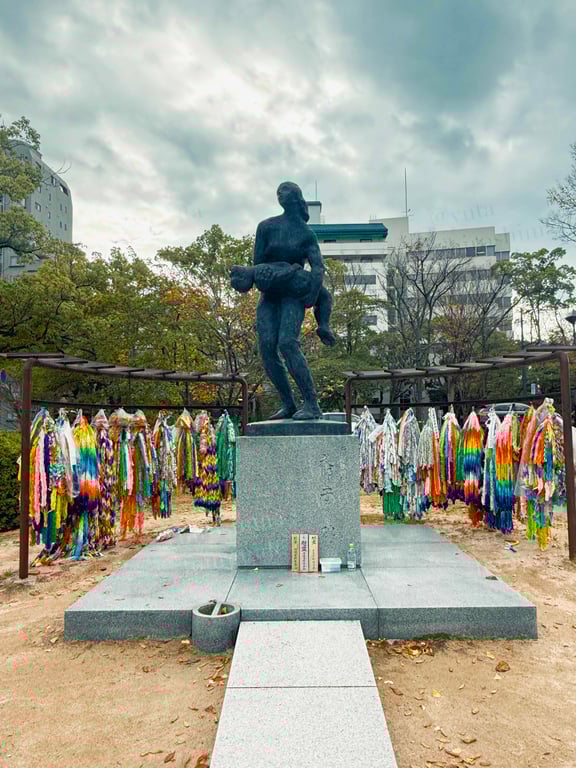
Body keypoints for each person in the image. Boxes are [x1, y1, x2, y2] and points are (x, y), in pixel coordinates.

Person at [235, 181, 335, 420]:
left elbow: (318, 266)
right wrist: (263, 274)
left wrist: (311, 295)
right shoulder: (266, 227)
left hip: (293, 293)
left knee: (287, 342)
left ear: (297, 198)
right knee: (267, 348)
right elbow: (257, 263)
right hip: (270, 293)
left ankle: (311, 403)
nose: (281, 193)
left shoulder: (305, 233)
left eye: (286, 190)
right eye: (279, 190)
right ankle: (289, 403)